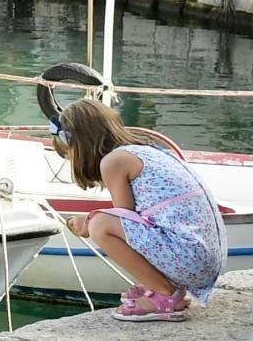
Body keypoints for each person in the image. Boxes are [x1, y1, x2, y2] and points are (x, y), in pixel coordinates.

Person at [55, 99, 225, 320]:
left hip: (191, 260)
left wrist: (87, 222)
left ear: (81, 145)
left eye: (69, 155)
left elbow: (125, 217)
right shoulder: (143, 151)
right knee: (105, 222)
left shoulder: (113, 162)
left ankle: (165, 296)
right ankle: (160, 286)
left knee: (100, 225)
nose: (70, 161)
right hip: (201, 258)